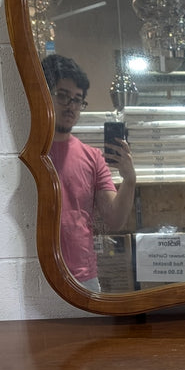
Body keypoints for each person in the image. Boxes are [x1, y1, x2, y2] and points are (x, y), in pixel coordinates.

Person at [42, 53, 136, 291]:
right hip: (38, 273)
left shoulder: (92, 157)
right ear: (42, 94)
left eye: (78, 99)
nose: (71, 106)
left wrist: (129, 179)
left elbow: (114, 219)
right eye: (62, 96)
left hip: (83, 276)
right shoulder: (29, 152)